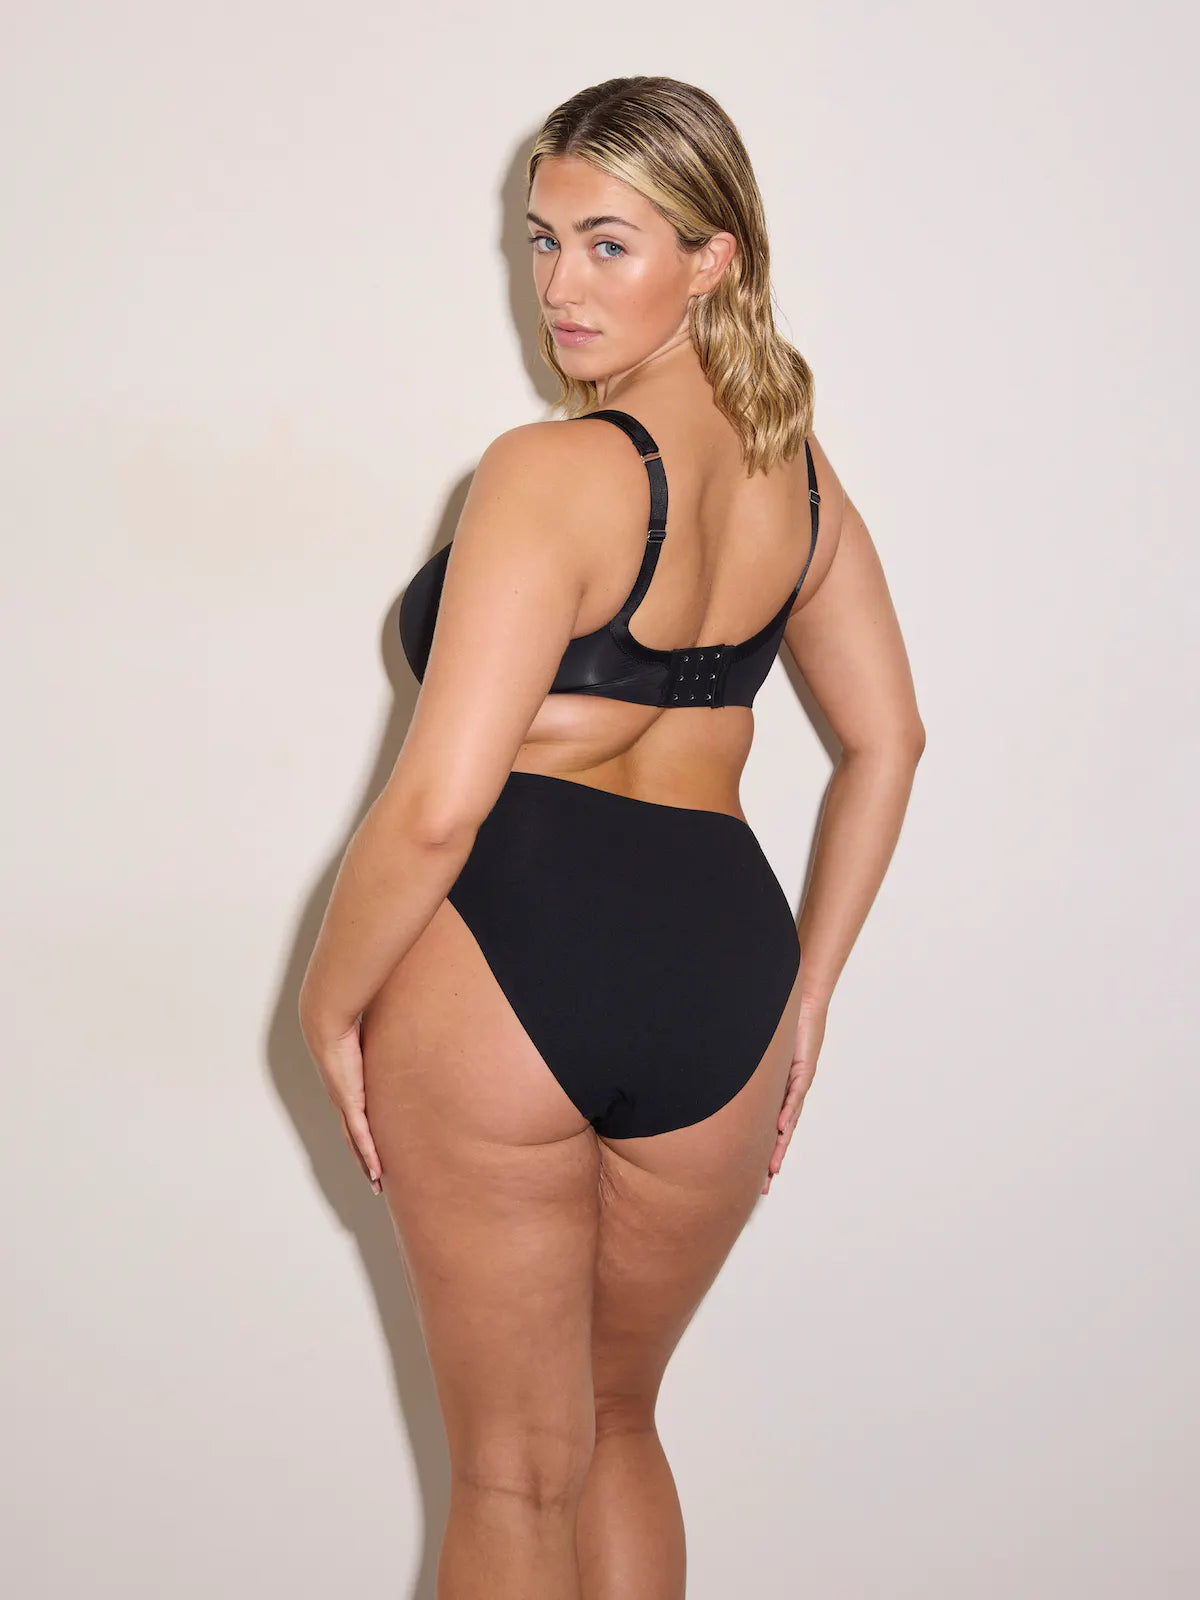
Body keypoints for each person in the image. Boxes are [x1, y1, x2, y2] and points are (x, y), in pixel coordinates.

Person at [299, 74, 924, 1600]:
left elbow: (440, 804)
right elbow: (890, 741)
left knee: (514, 1476)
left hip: (510, 955)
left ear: (712, 259)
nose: (561, 287)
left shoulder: (547, 472)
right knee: (618, 1422)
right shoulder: (799, 478)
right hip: (724, 979)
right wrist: (809, 993)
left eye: (608, 244)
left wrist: (322, 1001)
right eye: (543, 240)